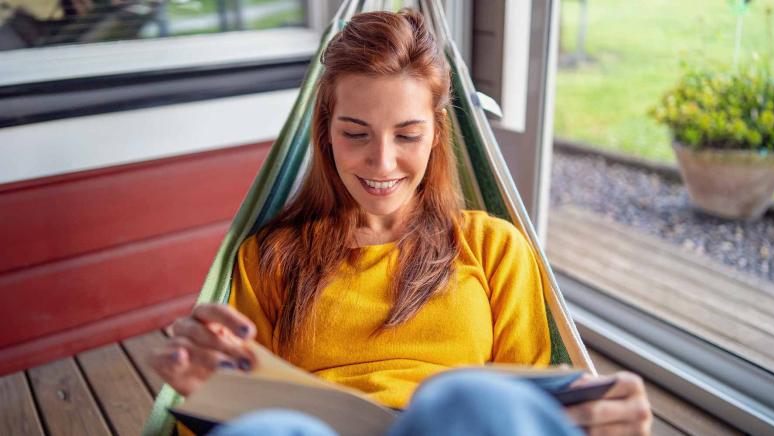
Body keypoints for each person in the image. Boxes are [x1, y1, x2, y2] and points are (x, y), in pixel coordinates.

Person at [149, 9, 652, 436]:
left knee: (464, 399)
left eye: (407, 135)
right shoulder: (270, 255)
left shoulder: (493, 246)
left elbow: (534, 399)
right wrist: (201, 376)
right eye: (356, 133)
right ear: (325, 133)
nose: (382, 163)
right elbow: (227, 404)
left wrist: (599, 413)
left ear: (438, 134)